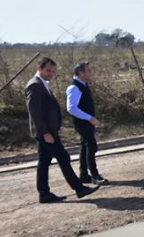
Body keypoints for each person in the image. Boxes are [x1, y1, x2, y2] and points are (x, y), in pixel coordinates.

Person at [26, 58, 99, 203]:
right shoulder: (35, 85)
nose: (51, 74)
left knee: (44, 162)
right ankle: (79, 188)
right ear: (39, 68)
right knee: (63, 158)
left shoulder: (43, 84)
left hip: (49, 131)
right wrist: (45, 132)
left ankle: (44, 193)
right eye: (48, 71)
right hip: (45, 132)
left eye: (53, 71)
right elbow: (34, 113)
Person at [66, 61, 107, 184]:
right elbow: (71, 108)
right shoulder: (74, 87)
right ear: (80, 73)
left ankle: (84, 175)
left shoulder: (83, 85)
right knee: (91, 146)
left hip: (87, 122)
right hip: (82, 123)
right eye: (88, 71)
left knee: (85, 147)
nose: (90, 73)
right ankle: (94, 175)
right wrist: (89, 118)